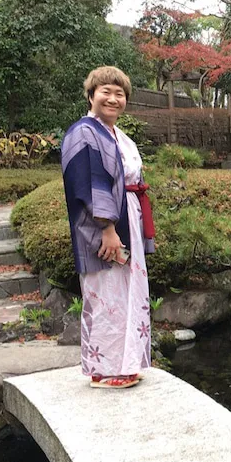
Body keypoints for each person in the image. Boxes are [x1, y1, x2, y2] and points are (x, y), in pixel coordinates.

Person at [60, 66, 155, 389]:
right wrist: (107, 228)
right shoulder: (84, 132)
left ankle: (125, 362)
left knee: (126, 291)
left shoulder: (119, 136)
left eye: (120, 94)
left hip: (128, 218)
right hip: (103, 225)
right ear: (91, 95)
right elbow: (88, 184)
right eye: (106, 92)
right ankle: (105, 369)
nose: (113, 99)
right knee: (105, 293)